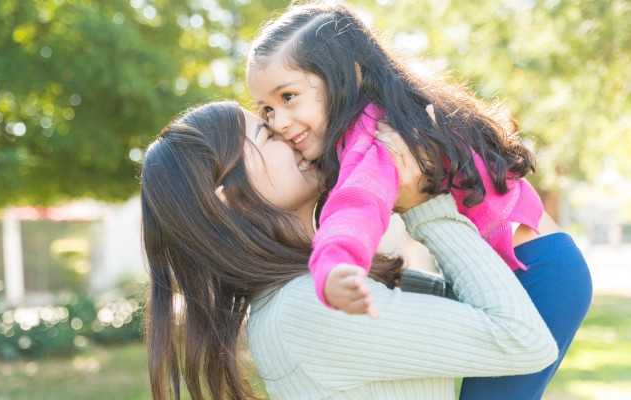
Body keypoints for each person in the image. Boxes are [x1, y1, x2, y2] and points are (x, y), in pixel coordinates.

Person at [245, 2, 592, 398]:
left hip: (539, 275)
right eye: (267, 109)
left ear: (349, 75)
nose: (277, 122)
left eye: (288, 97)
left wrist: (336, 264)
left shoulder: (374, 138)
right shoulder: (384, 117)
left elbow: (357, 206)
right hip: (543, 263)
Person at [140, 101, 557, 400]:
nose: (289, 132)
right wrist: (425, 207)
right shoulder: (308, 308)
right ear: (226, 199)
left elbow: (490, 305)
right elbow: (523, 339)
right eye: (267, 134)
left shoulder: (303, 293)